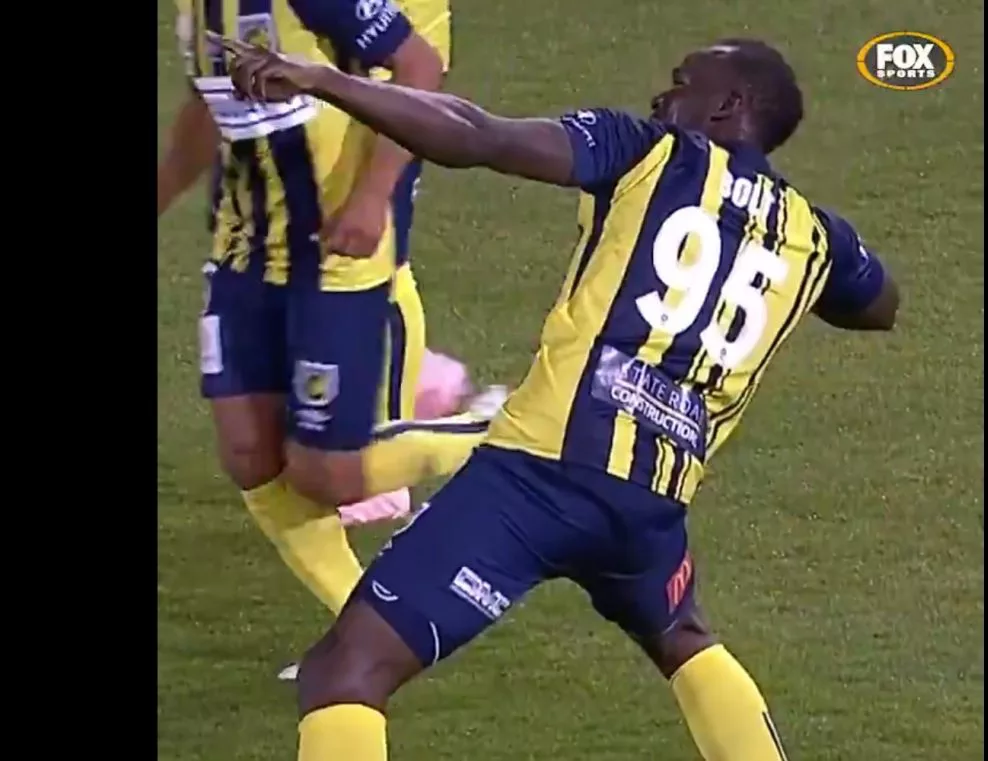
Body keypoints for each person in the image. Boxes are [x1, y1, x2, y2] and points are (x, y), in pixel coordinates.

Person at [219, 32, 900, 761]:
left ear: (728, 106)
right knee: (681, 635)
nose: (662, 96)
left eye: (681, 81)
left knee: (343, 672)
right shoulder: (817, 239)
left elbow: (476, 135)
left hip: (536, 478)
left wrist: (325, 81)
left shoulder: (648, 152)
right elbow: (880, 304)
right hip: (648, 508)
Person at [156, 0, 503, 631]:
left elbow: (418, 66)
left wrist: (372, 197)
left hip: (332, 258)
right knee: (249, 453)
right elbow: (208, 105)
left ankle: (502, 430)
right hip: (243, 251)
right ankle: (361, 628)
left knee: (327, 475)